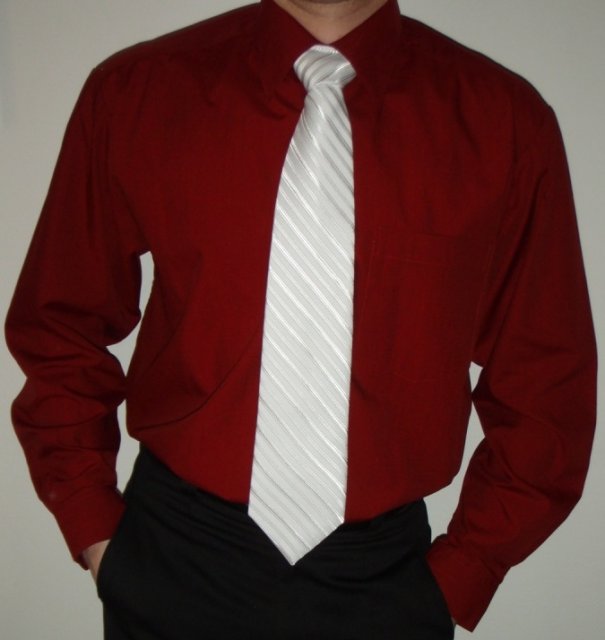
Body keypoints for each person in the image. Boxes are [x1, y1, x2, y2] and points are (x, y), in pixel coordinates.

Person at [5, 0, 597, 638]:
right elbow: (60, 322)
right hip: (171, 555)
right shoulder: (137, 92)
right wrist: (95, 527)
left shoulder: (505, 124)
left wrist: (462, 573)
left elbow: (545, 379)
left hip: (385, 583)